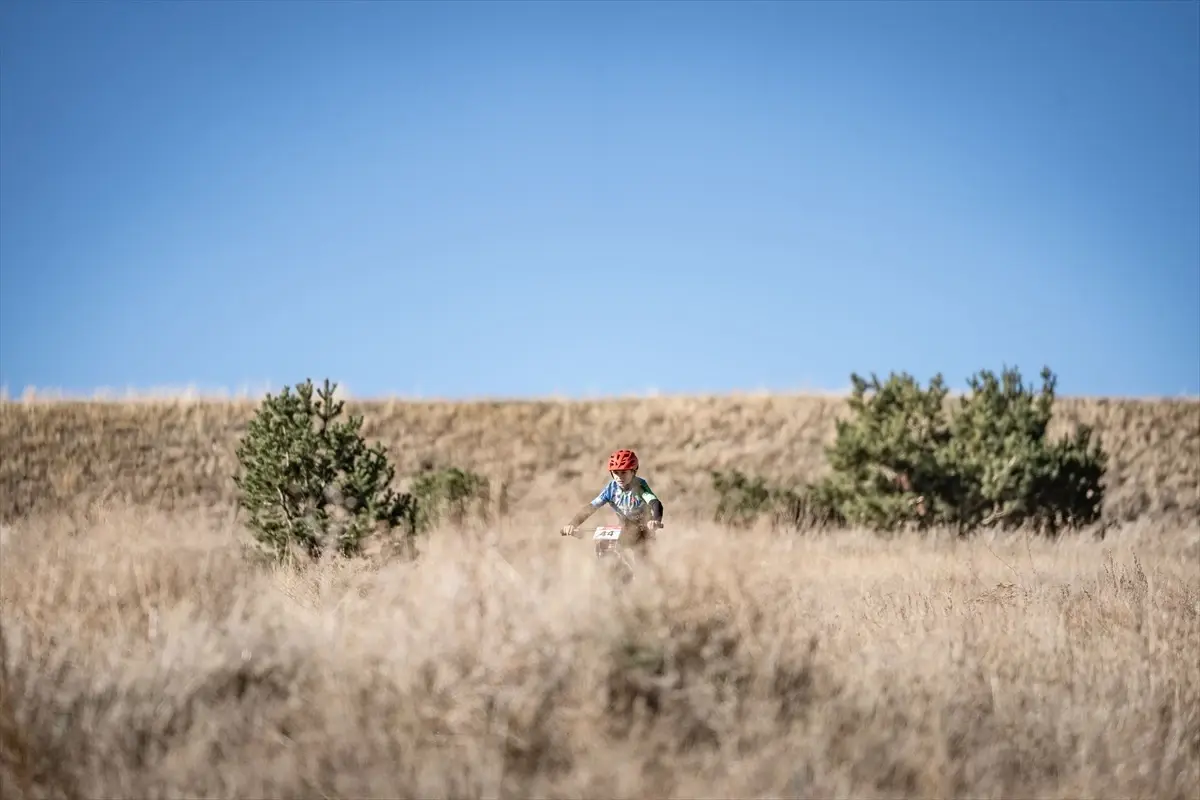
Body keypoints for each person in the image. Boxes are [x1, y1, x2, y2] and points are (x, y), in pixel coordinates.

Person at [559, 449, 664, 551]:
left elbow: (655, 503)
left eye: (623, 472)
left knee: (641, 561)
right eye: (616, 472)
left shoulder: (639, 486)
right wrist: (572, 524)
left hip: (644, 530)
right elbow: (590, 508)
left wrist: (656, 520)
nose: (619, 477)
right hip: (625, 528)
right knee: (603, 546)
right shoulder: (611, 489)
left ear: (633, 472)